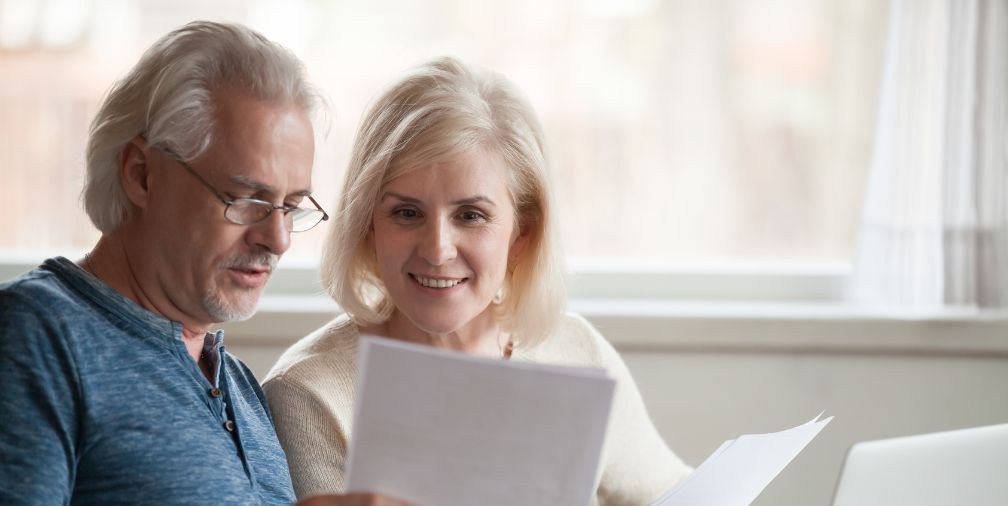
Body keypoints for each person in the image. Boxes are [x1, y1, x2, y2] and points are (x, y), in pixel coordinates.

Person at [263, 56, 693, 505]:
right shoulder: (310, 393)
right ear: (368, 224)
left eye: (471, 216)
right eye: (407, 213)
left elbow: (674, 493)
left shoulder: (577, 351)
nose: (437, 249)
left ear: (521, 233)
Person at [0, 20, 337, 505]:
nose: (278, 239)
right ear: (141, 175)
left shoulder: (238, 385)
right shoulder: (36, 337)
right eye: (245, 199)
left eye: (292, 205)